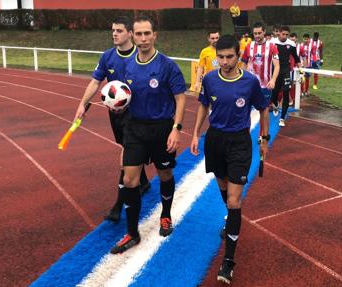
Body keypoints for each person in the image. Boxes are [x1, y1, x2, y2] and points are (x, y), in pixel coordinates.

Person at [190, 35, 270, 285]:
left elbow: (263, 107)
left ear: (239, 56)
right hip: (215, 141)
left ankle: (229, 261)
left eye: (229, 57)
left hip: (239, 143)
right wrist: (195, 134)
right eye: (220, 57)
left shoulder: (250, 81)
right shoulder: (210, 79)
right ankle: (231, 220)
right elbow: (204, 105)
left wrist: (264, 138)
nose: (224, 62)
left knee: (234, 201)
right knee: (224, 189)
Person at [110, 15, 187, 254]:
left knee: (164, 173)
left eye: (147, 34)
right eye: (138, 34)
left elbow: (180, 98)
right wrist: (117, 103)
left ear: (155, 35)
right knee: (129, 180)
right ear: (132, 35)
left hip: (162, 128)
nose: (143, 39)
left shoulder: (167, 65)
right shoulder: (127, 65)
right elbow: (124, 94)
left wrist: (176, 128)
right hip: (135, 128)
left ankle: (165, 214)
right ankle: (132, 233)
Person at [73, 15, 150, 224]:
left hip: (136, 114)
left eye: (119, 30)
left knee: (126, 157)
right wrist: (82, 104)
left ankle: (118, 206)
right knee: (126, 148)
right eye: (113, 30)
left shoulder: (140, 55)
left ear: (130, 34)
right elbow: (94, 82)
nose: (114, 34)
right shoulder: (107, 57)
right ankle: (143, 182)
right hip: (115, 113)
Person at [241, 21, 279, 140]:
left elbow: (277, 65)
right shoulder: (249, 46)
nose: (257, 35)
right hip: (250, 85)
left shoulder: (272, 47)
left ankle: (262, 135)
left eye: (259, 33)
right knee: (245, 110)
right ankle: (245, 134)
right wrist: (241, 78)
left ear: (264, 32)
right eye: (255, 33)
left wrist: (273, 80)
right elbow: (243, 63)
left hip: (265, 85)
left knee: (264, 110)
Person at [271, 25, 302, 127]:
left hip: (286, 71)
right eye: (283, 34)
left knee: (285, 93)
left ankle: (282, 118)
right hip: (275, 71)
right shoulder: (272, 42)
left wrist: (301, 72)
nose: (284, 36)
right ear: (278, 33)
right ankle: (275, 104)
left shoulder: (291, 44)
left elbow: (296, 58)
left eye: (286, 35)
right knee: (274, 93)